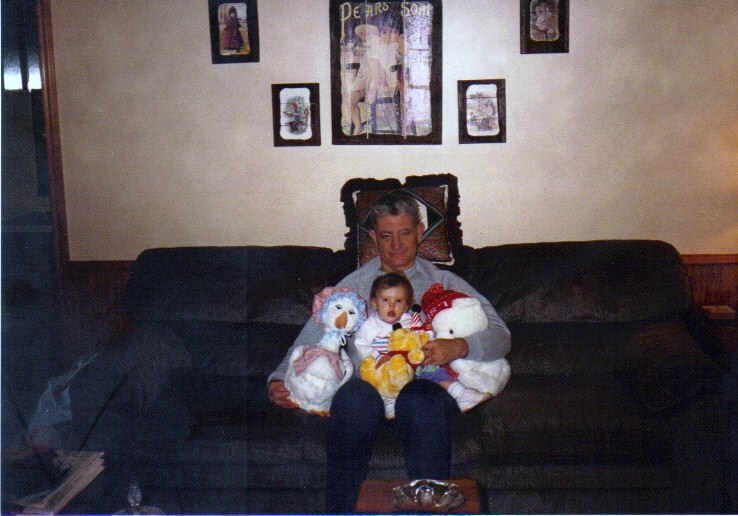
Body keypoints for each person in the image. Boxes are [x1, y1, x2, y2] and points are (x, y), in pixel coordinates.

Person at [267, 191, 510, 513]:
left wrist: (460, 346)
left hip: (424, 390)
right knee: (353, 397)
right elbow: (313, 335)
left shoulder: (443, 281)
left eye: (405, 233)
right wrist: (280, 377)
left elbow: (501, 335)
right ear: (373, 238)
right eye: (386, 235)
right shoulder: (353, 285)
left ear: (420, 232)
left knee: (419, 397)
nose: (396, 245)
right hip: (366, 391)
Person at [355, 272, 490, 418]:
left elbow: (420, 336)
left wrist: (429, 333)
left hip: (413, 363)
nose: (391, 305)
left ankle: (460, 394)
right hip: (386, 366)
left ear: (406, 306)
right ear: (375, 303)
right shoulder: (370, 326)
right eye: (386, 300)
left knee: (434, 371)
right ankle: (389, 403)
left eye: (398, 301)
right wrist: (378, 357)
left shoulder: (408, 320)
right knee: (381, 381)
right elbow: (361, 344)